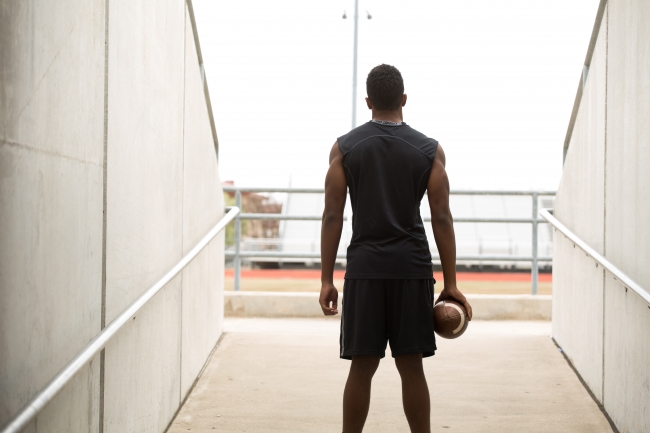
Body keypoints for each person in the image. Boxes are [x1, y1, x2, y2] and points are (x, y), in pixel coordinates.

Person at [319, 64, 473, 433]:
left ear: (369, 101)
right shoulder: (429, 151)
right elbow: (442, 218)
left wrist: (326, 279)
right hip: (411, 270)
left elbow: (331, 217)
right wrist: (450, 283)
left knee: (362, 366)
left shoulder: (344, 149)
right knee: (411, 366)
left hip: (365, 272)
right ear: (404, 99)